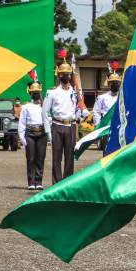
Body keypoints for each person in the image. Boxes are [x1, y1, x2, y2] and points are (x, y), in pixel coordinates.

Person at [44, 51, 89, 184]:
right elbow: (45, 113)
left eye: (68, 74)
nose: (66, 76)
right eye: (63, 74)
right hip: (57, 126)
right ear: (58, 75)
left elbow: (77, 108)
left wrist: (81, 113)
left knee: (70, 157)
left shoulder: (75, 92)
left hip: (70, 126)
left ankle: (67, 183)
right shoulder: (52, 92)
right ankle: (56, 184)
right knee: (56, 158)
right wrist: (48, 132)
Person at [18, 75, 50, 190]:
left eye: (37, 92)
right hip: (30, 134)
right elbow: (22, 122)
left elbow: (48, 119)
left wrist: (49, 134)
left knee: (40, 158)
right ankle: (31, 182)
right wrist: (22, 138)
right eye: (34, 92)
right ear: (30, 93)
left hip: (42, 134)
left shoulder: (45, 106)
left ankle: (39, 181)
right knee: (31, 158)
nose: (36, 94)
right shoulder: (26, 107)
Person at [92, 61, 121, 151]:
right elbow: (96, 112)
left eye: (117, 82)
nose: (115, 84)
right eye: (112, 82)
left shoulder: (123, 97)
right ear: (108, 84)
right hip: (106, 127)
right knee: (107, 152)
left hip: (120, 127)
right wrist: (98, 126)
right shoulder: (102, 97)